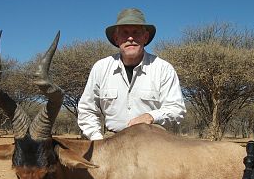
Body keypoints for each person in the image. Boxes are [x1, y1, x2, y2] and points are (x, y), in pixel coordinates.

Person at [77, 8, 186, 140]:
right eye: (124, 33)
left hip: (153, 140)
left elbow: (176, 109)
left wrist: (151, 116)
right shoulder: (100, 68)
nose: (130, 38)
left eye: (136, 32)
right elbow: (87, 109)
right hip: (112, 139)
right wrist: (97, 139)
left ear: (145, 37)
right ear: (116, 39)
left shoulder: (163, 68)